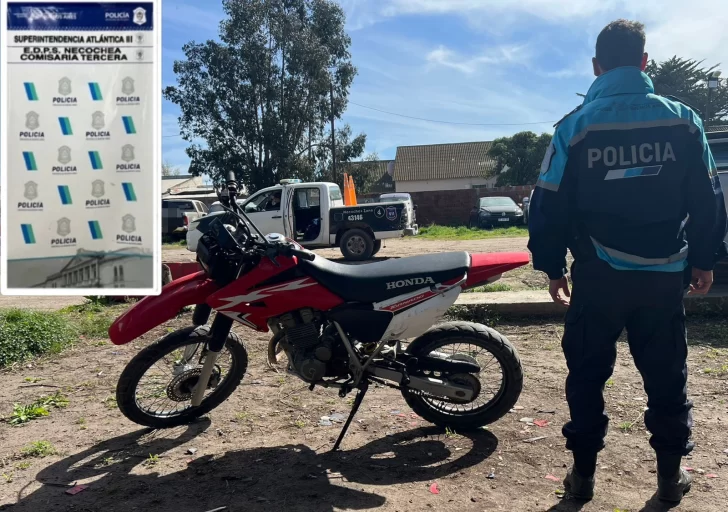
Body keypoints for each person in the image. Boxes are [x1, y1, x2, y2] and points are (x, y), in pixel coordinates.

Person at [528, 19, 728, 504]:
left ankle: (583, 478)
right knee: (666, 378)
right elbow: (707, 198)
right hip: (664, 278)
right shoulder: (684, 120)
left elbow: (547, 205)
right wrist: (704, 260)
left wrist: (552, 267)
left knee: (587, 376)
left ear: (596, 66)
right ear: (644, 62)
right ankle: (669, 481)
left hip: (598, 277)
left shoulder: (574, 127)